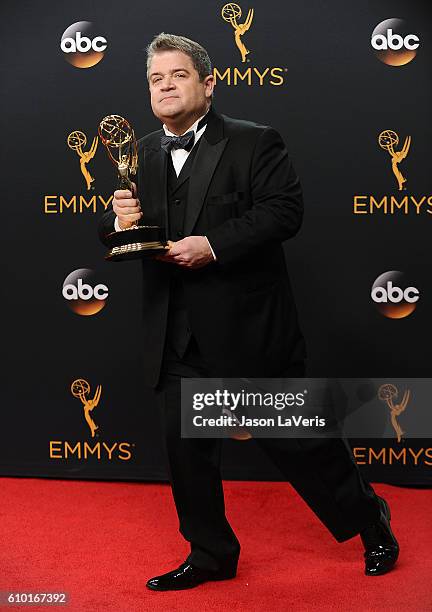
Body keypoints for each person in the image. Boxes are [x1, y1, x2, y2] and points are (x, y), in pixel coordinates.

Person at [98, 33, 399, 591]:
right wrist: (119, 225)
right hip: (173, 333)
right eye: (155, 79)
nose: (164, 85)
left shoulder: (255, 142)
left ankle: (369, 520)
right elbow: (129, 234)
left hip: (249, 331)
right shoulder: (137, 152)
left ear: (208, 84)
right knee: (187, 459)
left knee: (303, 446)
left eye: (178, 75)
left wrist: (212, 245)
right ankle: (211, 553)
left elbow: (285, 213)